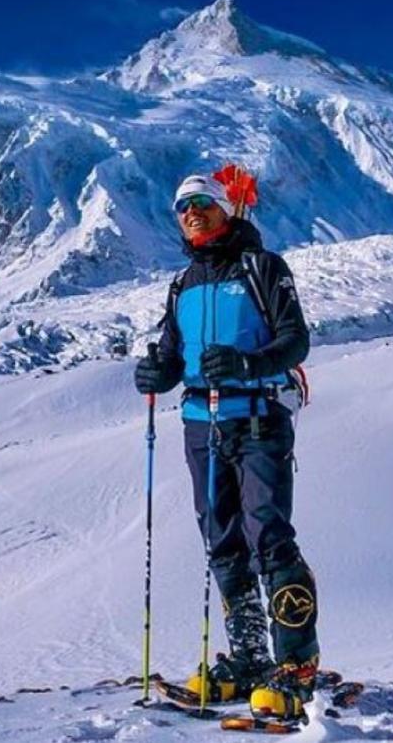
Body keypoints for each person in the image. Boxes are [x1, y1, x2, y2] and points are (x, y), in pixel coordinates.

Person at [134, 174, 319, 720]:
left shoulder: (263, 269)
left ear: (224, 209)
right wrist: (155, 373)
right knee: (222, 539)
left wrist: (248, 365)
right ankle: (249, 657)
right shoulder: (182, 284)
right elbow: (172, 358)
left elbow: (296, 340)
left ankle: (297, 665)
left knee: (270, 537)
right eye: (180, 206)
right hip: (201, 427)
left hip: (259, 420)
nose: (189, 212)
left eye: (199, 203)